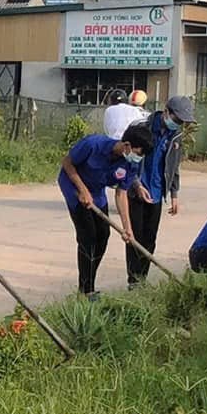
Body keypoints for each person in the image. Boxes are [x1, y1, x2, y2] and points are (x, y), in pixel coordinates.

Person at [58, 123, 154, 299]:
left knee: (103, 235)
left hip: (96, 191)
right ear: (127, 145)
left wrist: (128, 229)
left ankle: (88, 280)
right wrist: (82, 189)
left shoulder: (129, 164)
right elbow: (67, 162)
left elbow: (121, 193)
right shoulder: (93, 144)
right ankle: (86, 290)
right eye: (138, 153)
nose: (138, 158)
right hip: (73, 185)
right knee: (88, 236)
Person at [125, 95, 195, 286]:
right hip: (136, 189)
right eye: (177, 119)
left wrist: (174, 194)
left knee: (150, 239)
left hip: (156, 192)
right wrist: (136, 184)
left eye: (182, 122)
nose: (178, 124)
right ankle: (133, 280)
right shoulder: (141, 127)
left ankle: (142, 279)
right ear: (166, 112)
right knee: (135, 238)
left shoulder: (176, 136)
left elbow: (174, 165)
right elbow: (127, 159)